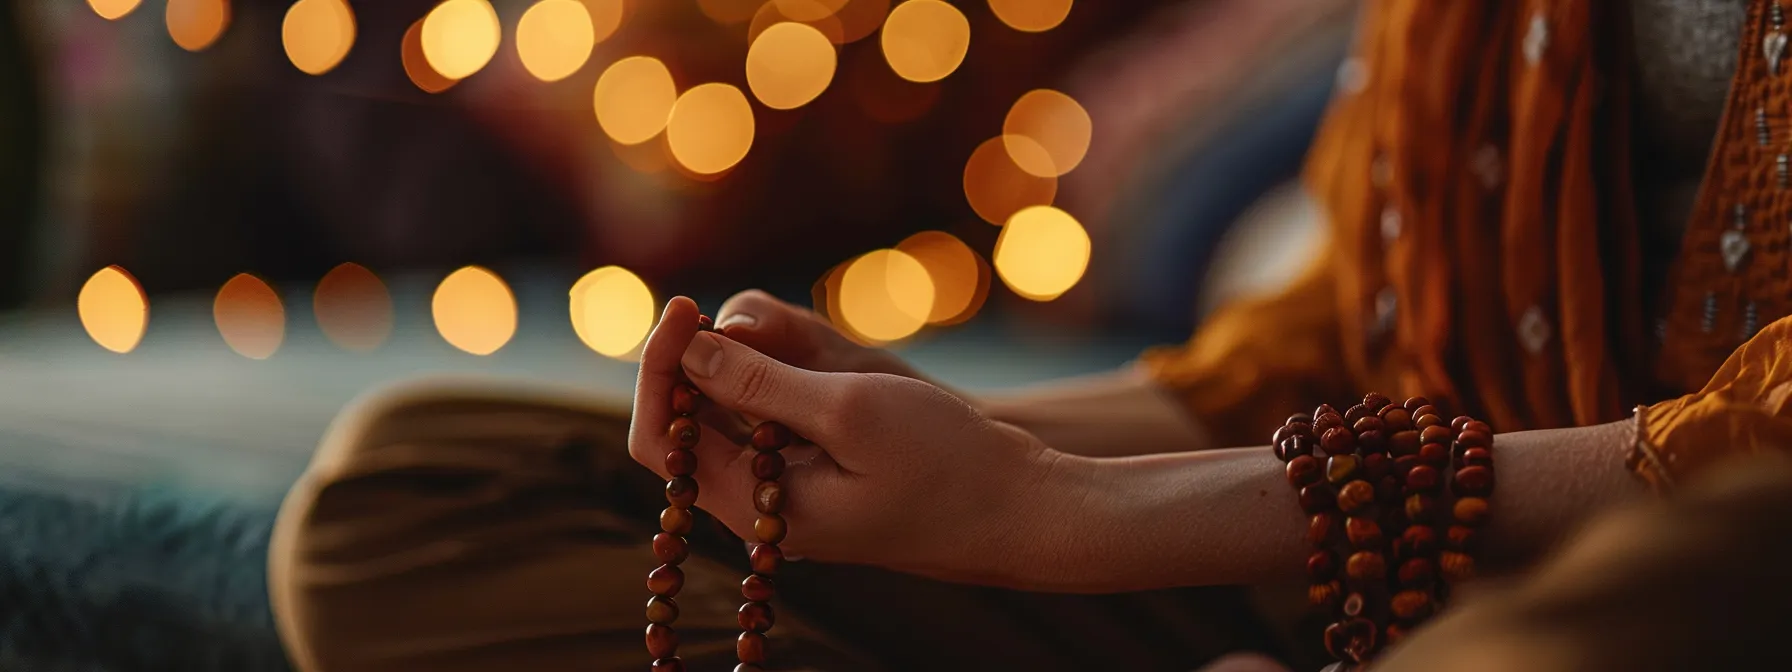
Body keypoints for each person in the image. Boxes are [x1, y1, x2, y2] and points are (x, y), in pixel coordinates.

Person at [268, 1, 1792, 670]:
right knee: (408, 499)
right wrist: (965, 439)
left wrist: (1059, 522)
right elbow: (1361, 318)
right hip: (1395, 572)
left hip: (1696, 579)